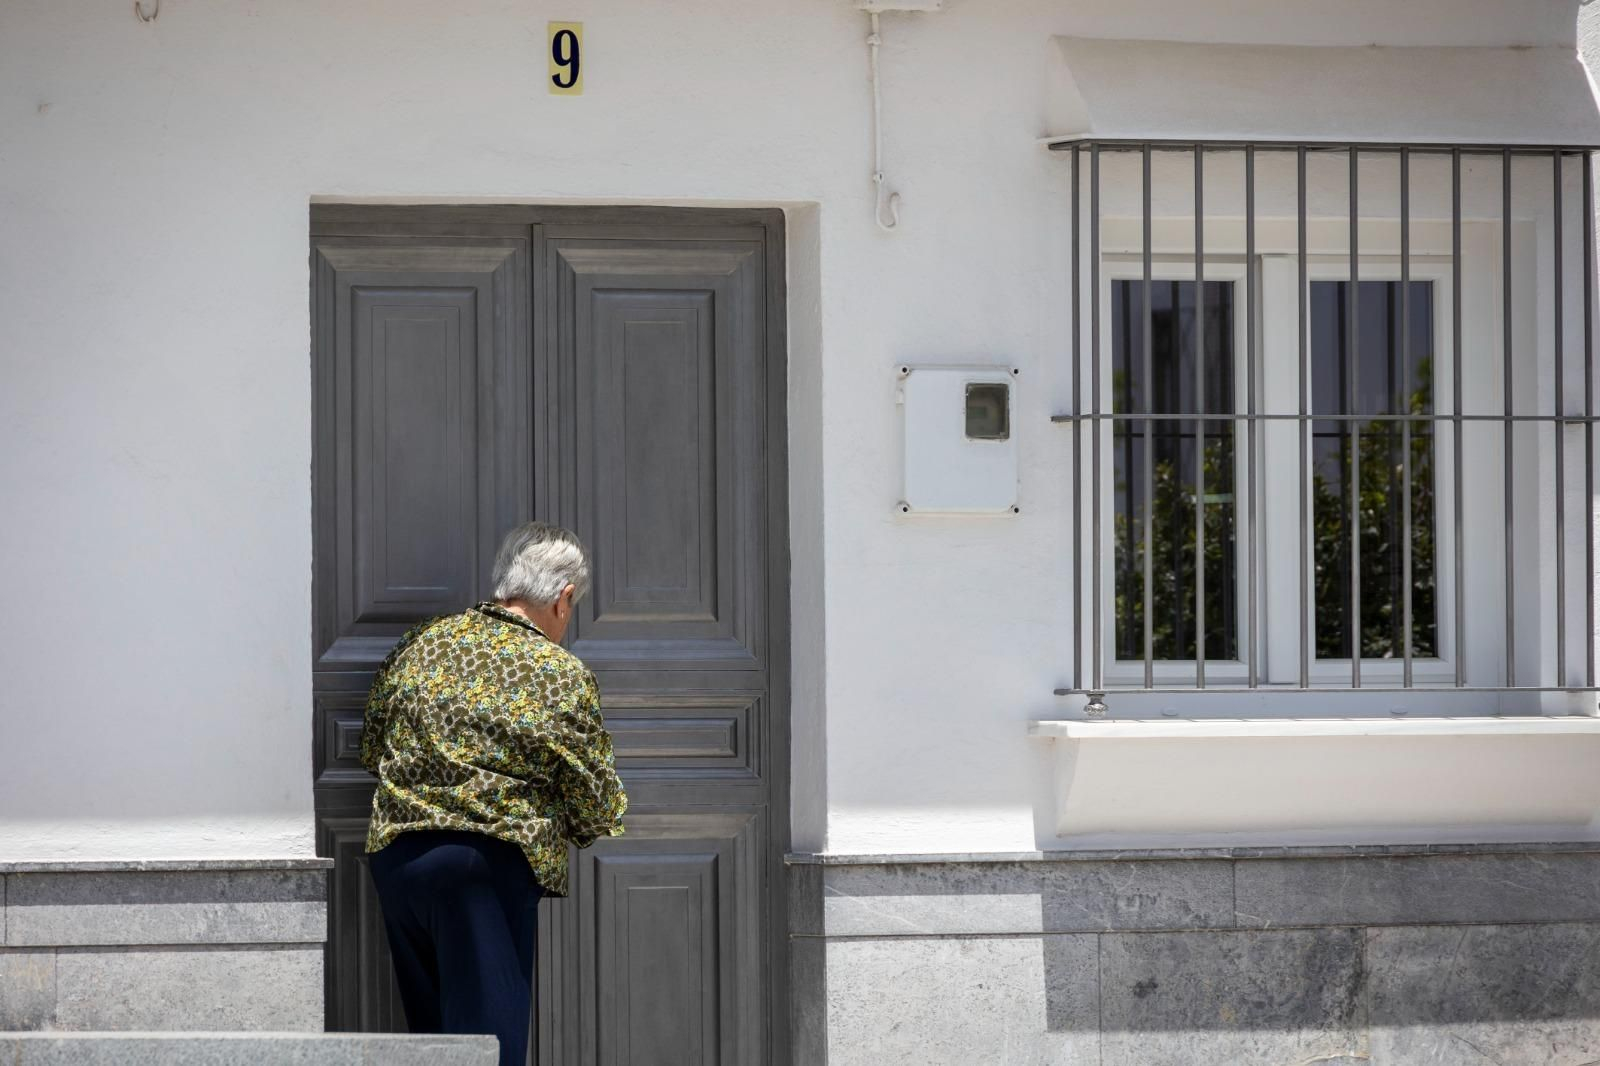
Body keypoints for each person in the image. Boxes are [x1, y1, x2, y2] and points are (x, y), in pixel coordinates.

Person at [360, 521, 627, 1066]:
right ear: (564, 598)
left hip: (398, 862)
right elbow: (598, 804)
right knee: (489, 1047)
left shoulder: (423, 642)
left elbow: (371, 744)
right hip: (483, 865)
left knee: (434, 1046)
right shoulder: (558, 674)